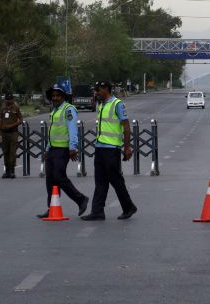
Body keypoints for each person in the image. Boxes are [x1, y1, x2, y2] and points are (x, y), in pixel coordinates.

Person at [81, 81, 137, 221]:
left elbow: (126, 126)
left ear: (106, 89)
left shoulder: (117, 104)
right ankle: (97, 211)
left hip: (111, 149)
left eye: (98, 89)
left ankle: (128, 206)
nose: (96, 92)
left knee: (116, 180)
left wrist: (127, 147)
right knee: (100, 182)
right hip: (100, 147)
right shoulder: (101, 104)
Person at [37, 84, 89, 219]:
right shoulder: (54, 110)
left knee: (59, 176)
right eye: (53, 96)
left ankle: (81, 199)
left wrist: (72, 147)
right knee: (50, 179)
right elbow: (52, 131)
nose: (55, 98)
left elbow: (72, 130)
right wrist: (48, 148)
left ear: (63, 96)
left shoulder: (68, 109)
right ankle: (52, 207)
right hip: (53, 149)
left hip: (63, 149)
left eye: (58, 95)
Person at [0, 93, 23, 179]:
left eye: (10, 100)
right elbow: (1, 120)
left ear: (13, 100)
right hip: (4, 133)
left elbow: (21, 120)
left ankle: (12, 171)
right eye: (7, 100)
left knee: (12, 152)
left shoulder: (16, 108)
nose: (8, 101)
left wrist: (12, 125)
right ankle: (6, 171)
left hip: (13, 133)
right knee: (5, 152)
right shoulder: (2, 108)